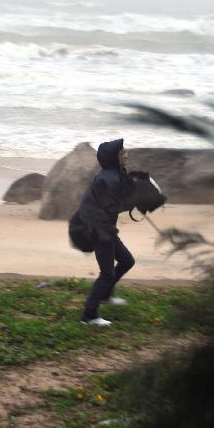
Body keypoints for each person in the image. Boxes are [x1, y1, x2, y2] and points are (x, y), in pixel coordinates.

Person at [75, 138, 136, 326]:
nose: (126, 154)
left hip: (105, 228)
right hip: (98, 229)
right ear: (112, 158)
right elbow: (110, 206)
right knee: (107, 273)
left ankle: (106, 295)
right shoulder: (107, 178)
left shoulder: (114, 173)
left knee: (127, 261)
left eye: (125, 151)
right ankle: (89, 315)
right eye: (122, 152)